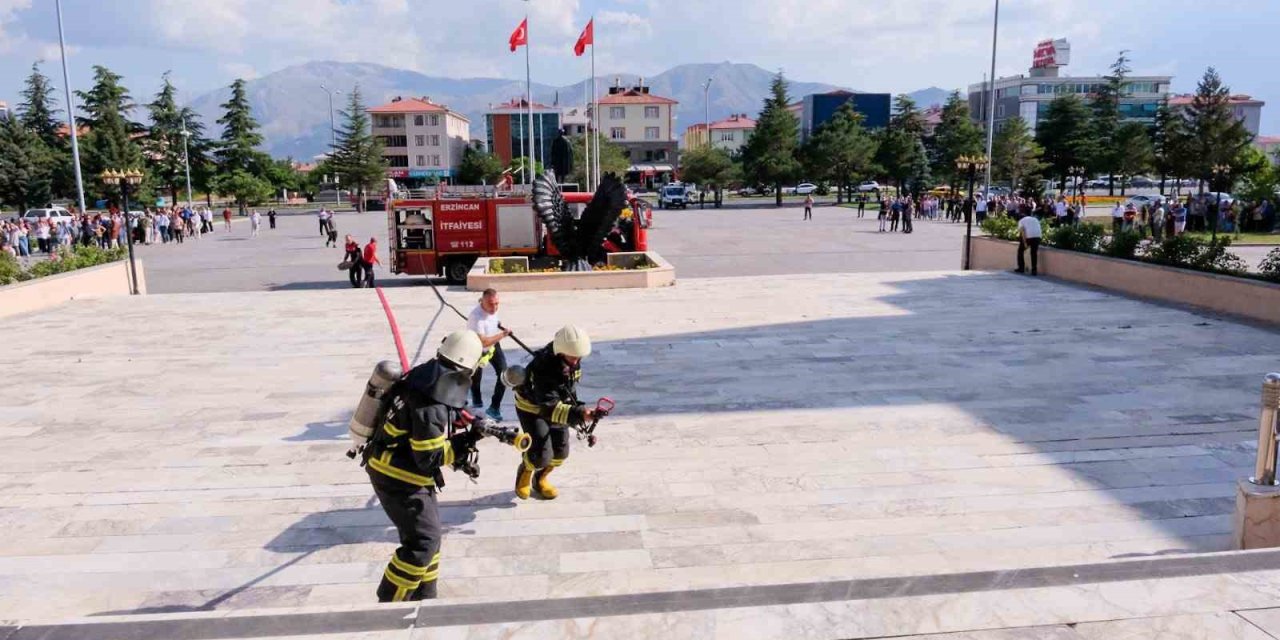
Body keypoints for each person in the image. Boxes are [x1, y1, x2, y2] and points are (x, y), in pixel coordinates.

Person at [364, 330, 485, 602]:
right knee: (422, 542)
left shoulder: (424, 375)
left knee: (431, 537)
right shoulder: (430, 406)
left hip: (398, 467)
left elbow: (426, 421)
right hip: (399, 477)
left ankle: (425, 595)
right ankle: (390, 601)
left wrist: (458, 422)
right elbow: (429, 457)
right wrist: (467, 441)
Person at [513, 325, 594, 501]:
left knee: (560, 452)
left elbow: (569, 388)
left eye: (578, 357)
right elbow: (549, 408)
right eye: (573, 357)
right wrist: (579, 413)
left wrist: (578, 409)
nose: (576, 361)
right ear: (561, 352)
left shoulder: (571, 358)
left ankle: (540, 479)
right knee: (541, 454)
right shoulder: (543, 369)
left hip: (557, 406)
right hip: (533, 409)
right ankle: (526, 470)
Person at [467, 289, 511, 421]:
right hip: (477, 348)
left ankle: (494, 407)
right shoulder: (476, 317)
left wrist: (498, 326)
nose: (495, 307)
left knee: (504, 375)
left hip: (493, 345)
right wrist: (503, 334)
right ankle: (476, 399)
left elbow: (494, 322)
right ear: (482, 302)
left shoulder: (494, 310)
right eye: (491, 304)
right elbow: (484, 342)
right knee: (476, 378)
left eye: (497, 304)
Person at [1016, 212, 1042, 276]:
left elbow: (1023, 232)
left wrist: (1025, 243)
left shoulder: (1021, 221)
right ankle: (1034, 270)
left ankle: (1021, 268)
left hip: (1029, 237)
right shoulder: (1035, 219)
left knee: (1020, 251)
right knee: (1034, 253)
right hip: (1037, 236)